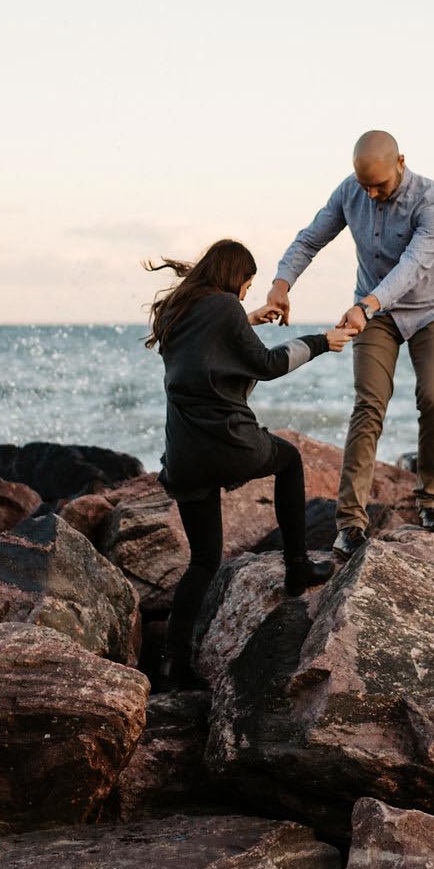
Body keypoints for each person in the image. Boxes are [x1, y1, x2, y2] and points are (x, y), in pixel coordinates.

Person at [146, 238, 353, 690]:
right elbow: (266, 363)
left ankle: (170, 665)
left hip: (184, 455)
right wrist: (322, 342)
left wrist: (250, 317)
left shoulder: (178, 312)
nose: (245, 295)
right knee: (290, 461)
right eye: (247, 286)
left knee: (203, 561)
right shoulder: (223, 307)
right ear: (234, 278)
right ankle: (298, 567)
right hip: (226, 443)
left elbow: (212, 350)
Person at [258, 130, 434, 561]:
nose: (370, 193)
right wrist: (280, 285)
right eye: (364, 184)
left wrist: (365, 306)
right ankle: (350, 524)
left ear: (401, 163)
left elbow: (413, 266)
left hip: (429, 313)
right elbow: (311, 238)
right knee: (369, 405)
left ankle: (431, 502)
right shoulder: (351, 191)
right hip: (375, 317)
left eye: (379, 185)